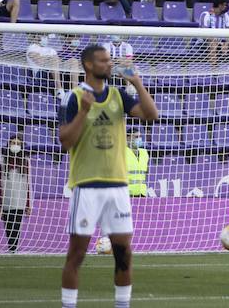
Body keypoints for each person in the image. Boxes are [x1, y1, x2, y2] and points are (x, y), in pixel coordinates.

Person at [59, 43, 159, 308]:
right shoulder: (74, 97)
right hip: (86, 186)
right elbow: (65, 141)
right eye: (104, 60)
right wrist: (83, 112)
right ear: (89, 65)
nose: (109, 64)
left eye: (109, 60)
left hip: (117, 187)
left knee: (123, 253)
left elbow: (151, 115)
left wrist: (137, 83)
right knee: (77, 255)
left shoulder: (118, 95)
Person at [0, 134, 32, 252]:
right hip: (6, 200)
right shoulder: (2, 160)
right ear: (8, 145)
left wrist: (29, 204)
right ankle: (11, 248)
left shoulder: (26, 161)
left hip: (20, 200)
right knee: (8, 227)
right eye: (13, 143)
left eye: (18, 143)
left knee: (17, 227)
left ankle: (14, 250)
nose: (15, 145)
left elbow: (29, 184)